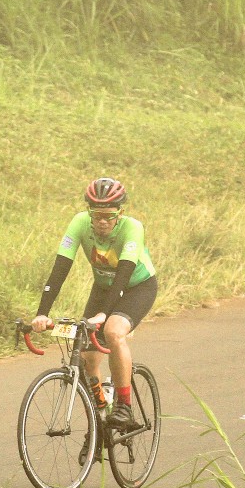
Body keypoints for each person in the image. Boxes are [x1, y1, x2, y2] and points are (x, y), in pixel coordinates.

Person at [31, 176, 157, 430]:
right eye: (96, 215)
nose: (102, 221)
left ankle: (124, 406)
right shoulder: (79, 223)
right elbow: (60, 269)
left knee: (113, 331)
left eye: (109, 216)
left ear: (120, 213)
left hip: (136, 287)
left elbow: (123, 274)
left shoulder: (133, 228)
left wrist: (104, 314)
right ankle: (101, 419)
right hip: (104, 287)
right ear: (89, 212)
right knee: (88, 357)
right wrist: (42, 313)